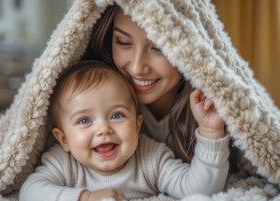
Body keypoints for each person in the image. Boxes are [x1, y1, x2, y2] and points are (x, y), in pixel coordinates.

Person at [19, 60, 230, 201]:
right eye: (84, 121)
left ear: (137, 125)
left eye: (117, 115)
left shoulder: (151, 157)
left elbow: (200, 189)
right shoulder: (64, 163)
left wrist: (211, 132)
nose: (103, 129)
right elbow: (29, 192)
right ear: (63, 139)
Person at [82, 4, 238, 166]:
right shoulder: (87, 100)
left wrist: (212, 133)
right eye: (123, 42)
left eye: (159, 48)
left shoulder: (217, 110)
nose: (137, 67)